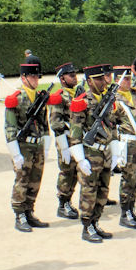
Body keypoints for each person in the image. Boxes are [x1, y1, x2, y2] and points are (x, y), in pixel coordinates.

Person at [68, 64, 120, 243]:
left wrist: (115, 151)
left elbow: (112, 127)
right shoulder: (81, 102)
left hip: (104, 154)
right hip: (91, 155)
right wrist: (80, 159)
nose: (103, 82)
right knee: (89, 192)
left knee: (103, 191)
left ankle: (95, 222)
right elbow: (75, 134)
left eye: (103, 78)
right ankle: (86, 226)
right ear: (89, 81)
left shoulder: (107, 100)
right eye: (98, 79)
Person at [5, 63, 55, 233]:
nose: (35, 79)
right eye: (32, 76)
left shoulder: (40, 98)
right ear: (23, 77)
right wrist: (15, 153)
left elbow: (45, 123)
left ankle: (29, 211)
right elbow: (10, 128)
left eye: (37, 76)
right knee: (22, 180)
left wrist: (46, 146)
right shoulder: (16, 99)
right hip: (23, 147)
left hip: (38, 145)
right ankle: (19, 214)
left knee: (35, 180)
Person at [113, 66, 136, 228]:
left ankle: (132, 209)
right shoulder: (114, 99)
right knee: (128, 178)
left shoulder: (135, 95)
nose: (128, 81)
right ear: (117, 80)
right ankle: (124, 213)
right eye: (124, 78)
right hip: (127, 144)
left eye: (129, 78)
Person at [50, 62, 80, 220]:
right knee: (67, 171)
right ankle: (63, 203)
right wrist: (64, 147)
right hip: (66, 140)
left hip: (76, 140)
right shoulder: (59, 96)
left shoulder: (76, 93)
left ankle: (69, 200)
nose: (75, 78)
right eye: (71, 75)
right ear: (62, 78)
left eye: (75, 74)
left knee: (75, 172)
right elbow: (56, 123)